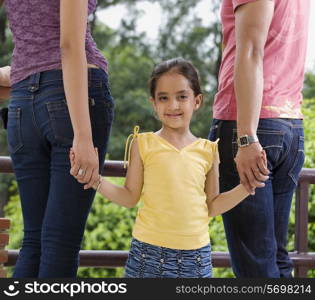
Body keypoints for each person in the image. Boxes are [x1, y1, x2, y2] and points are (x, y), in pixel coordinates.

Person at [71, 58, 267, 278]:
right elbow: (129, 197)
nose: (173, 105)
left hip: (196, 257)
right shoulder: (142, 143)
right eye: (163, 98)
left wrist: (247, 186)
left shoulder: (208, 150)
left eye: (182, 97)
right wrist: (95, 180)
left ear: (197, 100)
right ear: (154, 103)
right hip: (147, 255)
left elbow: (211, 206)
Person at [1, 0, 114, 277]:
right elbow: (70, 45)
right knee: (59, 245)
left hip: (22, 105)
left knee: (34, 241)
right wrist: (83, 137)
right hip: (71, 101)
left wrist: (19, 74)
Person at [209, 0, 310, 277]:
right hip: (288, 125)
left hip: (251, 126)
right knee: (276, 261)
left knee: (257, 270)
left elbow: (251, 50)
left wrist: (245, 137)